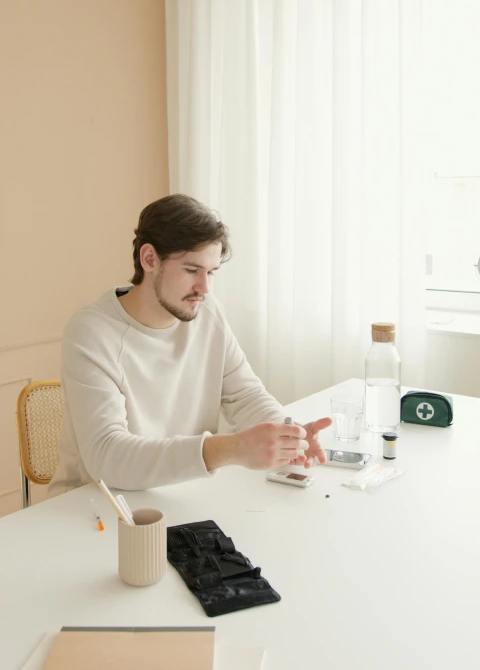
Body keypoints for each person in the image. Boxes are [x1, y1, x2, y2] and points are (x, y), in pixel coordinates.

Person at [48, 194, 332, 496]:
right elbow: (107, 456)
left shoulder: (208, 313)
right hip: (96, 507)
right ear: (149, 259)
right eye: (191, 270)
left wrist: (287, 435)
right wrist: (229, 448)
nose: (205, 287)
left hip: (183, 495)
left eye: (210, 272)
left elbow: (246, 395)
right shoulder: (92, 331)